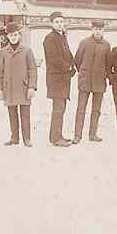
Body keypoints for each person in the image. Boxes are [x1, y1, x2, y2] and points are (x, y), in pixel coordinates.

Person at [0, 22, 38, 147]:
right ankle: (14, 138)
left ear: (19, 35)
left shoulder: (27, 51)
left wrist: (31, 87)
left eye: (15, 35)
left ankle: (27, 139)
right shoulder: (3, 52)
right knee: (12, 114)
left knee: (25, 115)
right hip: (9, 88)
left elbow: (32, 70)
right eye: (10, 35)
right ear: (7, 37)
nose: (13, 37)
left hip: (24, 87)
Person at [73, 19, 111, 144]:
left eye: (100, 29)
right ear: (92, 29)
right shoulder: (84, 43)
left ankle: (93, 134)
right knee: (81, 108)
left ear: (103, 30)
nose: (98, 31)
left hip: (99, 82)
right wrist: (84, 72)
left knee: (96, 110)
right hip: (85, 81)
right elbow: (77, 60)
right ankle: (77, 135)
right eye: (95, 29)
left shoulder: (106, 45)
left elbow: (108, 64)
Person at [43, 11, 75, 147]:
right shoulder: (50, 38)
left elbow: (67, 53)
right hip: (56, 79)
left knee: (61, 108)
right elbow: (54, 58)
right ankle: (55, 138)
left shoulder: (62, 36)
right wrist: (68, 67)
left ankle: (58, 135)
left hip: (63, 79)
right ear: (52, 24)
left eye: (61, 21)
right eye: (57, 22)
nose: (60, 24)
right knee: (58, 108)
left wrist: (74, 63)